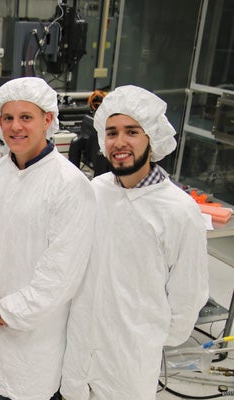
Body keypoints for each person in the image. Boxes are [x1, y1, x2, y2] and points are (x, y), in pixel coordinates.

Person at [61, 85, 209, 400]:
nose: (120, 142)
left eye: (132, 131)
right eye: (112, 132)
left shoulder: (179, 211)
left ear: (151, 137)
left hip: (129, 360)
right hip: (78, 347)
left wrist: (144, 334)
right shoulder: (95, 190)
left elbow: (188, 295)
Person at [0, 77, 96, 400]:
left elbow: (62, 273)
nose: (15, 127)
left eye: (26, 117)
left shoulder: (69, 184)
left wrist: (10, 311)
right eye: (8, 118)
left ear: (48, 120)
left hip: (34, 336)